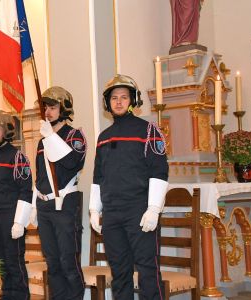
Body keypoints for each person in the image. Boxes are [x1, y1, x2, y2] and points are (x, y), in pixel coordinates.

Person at [89, 74, 169, 299]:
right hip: (112, 213)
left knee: (147, 270)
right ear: (108, 103)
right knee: (119, 271)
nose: (119, 101)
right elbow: (98, 176)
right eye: (114, 97)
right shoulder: (103, 137)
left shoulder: (149, 130)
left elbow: (159, 171)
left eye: (124, 97)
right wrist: (95, 209)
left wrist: (154, 208)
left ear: (133, 100)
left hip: (140, 211)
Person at [34, 87, 86, 299]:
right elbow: (40, 177)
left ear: (64, 110)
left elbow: (72, 163)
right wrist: (33, 206)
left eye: (53, 107)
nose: (47, 111)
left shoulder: (75, 135)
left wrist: (52, 138)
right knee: (53, 264)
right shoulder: (42, 141)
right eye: (45, 107)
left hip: (65, 204)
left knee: (68, 263)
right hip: (45, 206)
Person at [0, 110, 33, 300]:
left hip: (11, 218)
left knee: (14, 264)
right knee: (1, 265)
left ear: (6, 131)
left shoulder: (17, 157)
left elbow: (26, 190)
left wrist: (20, 222)